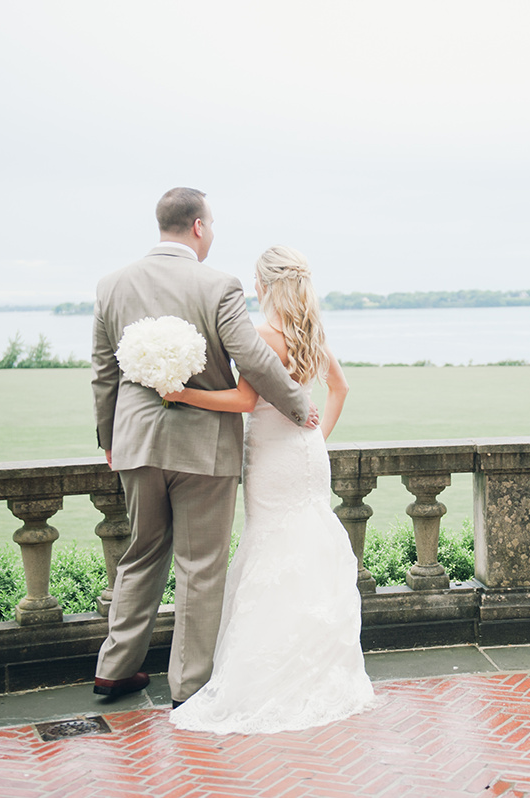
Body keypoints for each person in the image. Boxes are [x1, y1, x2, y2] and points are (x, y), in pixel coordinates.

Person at [91, 188, 315, 706]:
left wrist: (109, 439)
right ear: (197, 226)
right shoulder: (219, 285)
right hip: (204, 450)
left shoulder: (111, 286)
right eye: (211, 224)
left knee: (141, 553)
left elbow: (104, 374)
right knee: (201, 564)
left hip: (137, 444)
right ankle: (188, 686)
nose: (212, 233)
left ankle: (113, 669)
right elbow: (254, 359)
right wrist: (298, 406)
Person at [166, 245, 376, 735]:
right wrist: (317, 439)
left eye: (255, 282)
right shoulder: (310, 333)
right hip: (306, 455)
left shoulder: (264, 335)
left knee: (270, 546)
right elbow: (340, 389)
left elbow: (244, 399)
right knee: (307, 547)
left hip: (273, 460)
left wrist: (183, 394)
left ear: (265, 285)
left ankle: (268, 674)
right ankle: (318, 667)